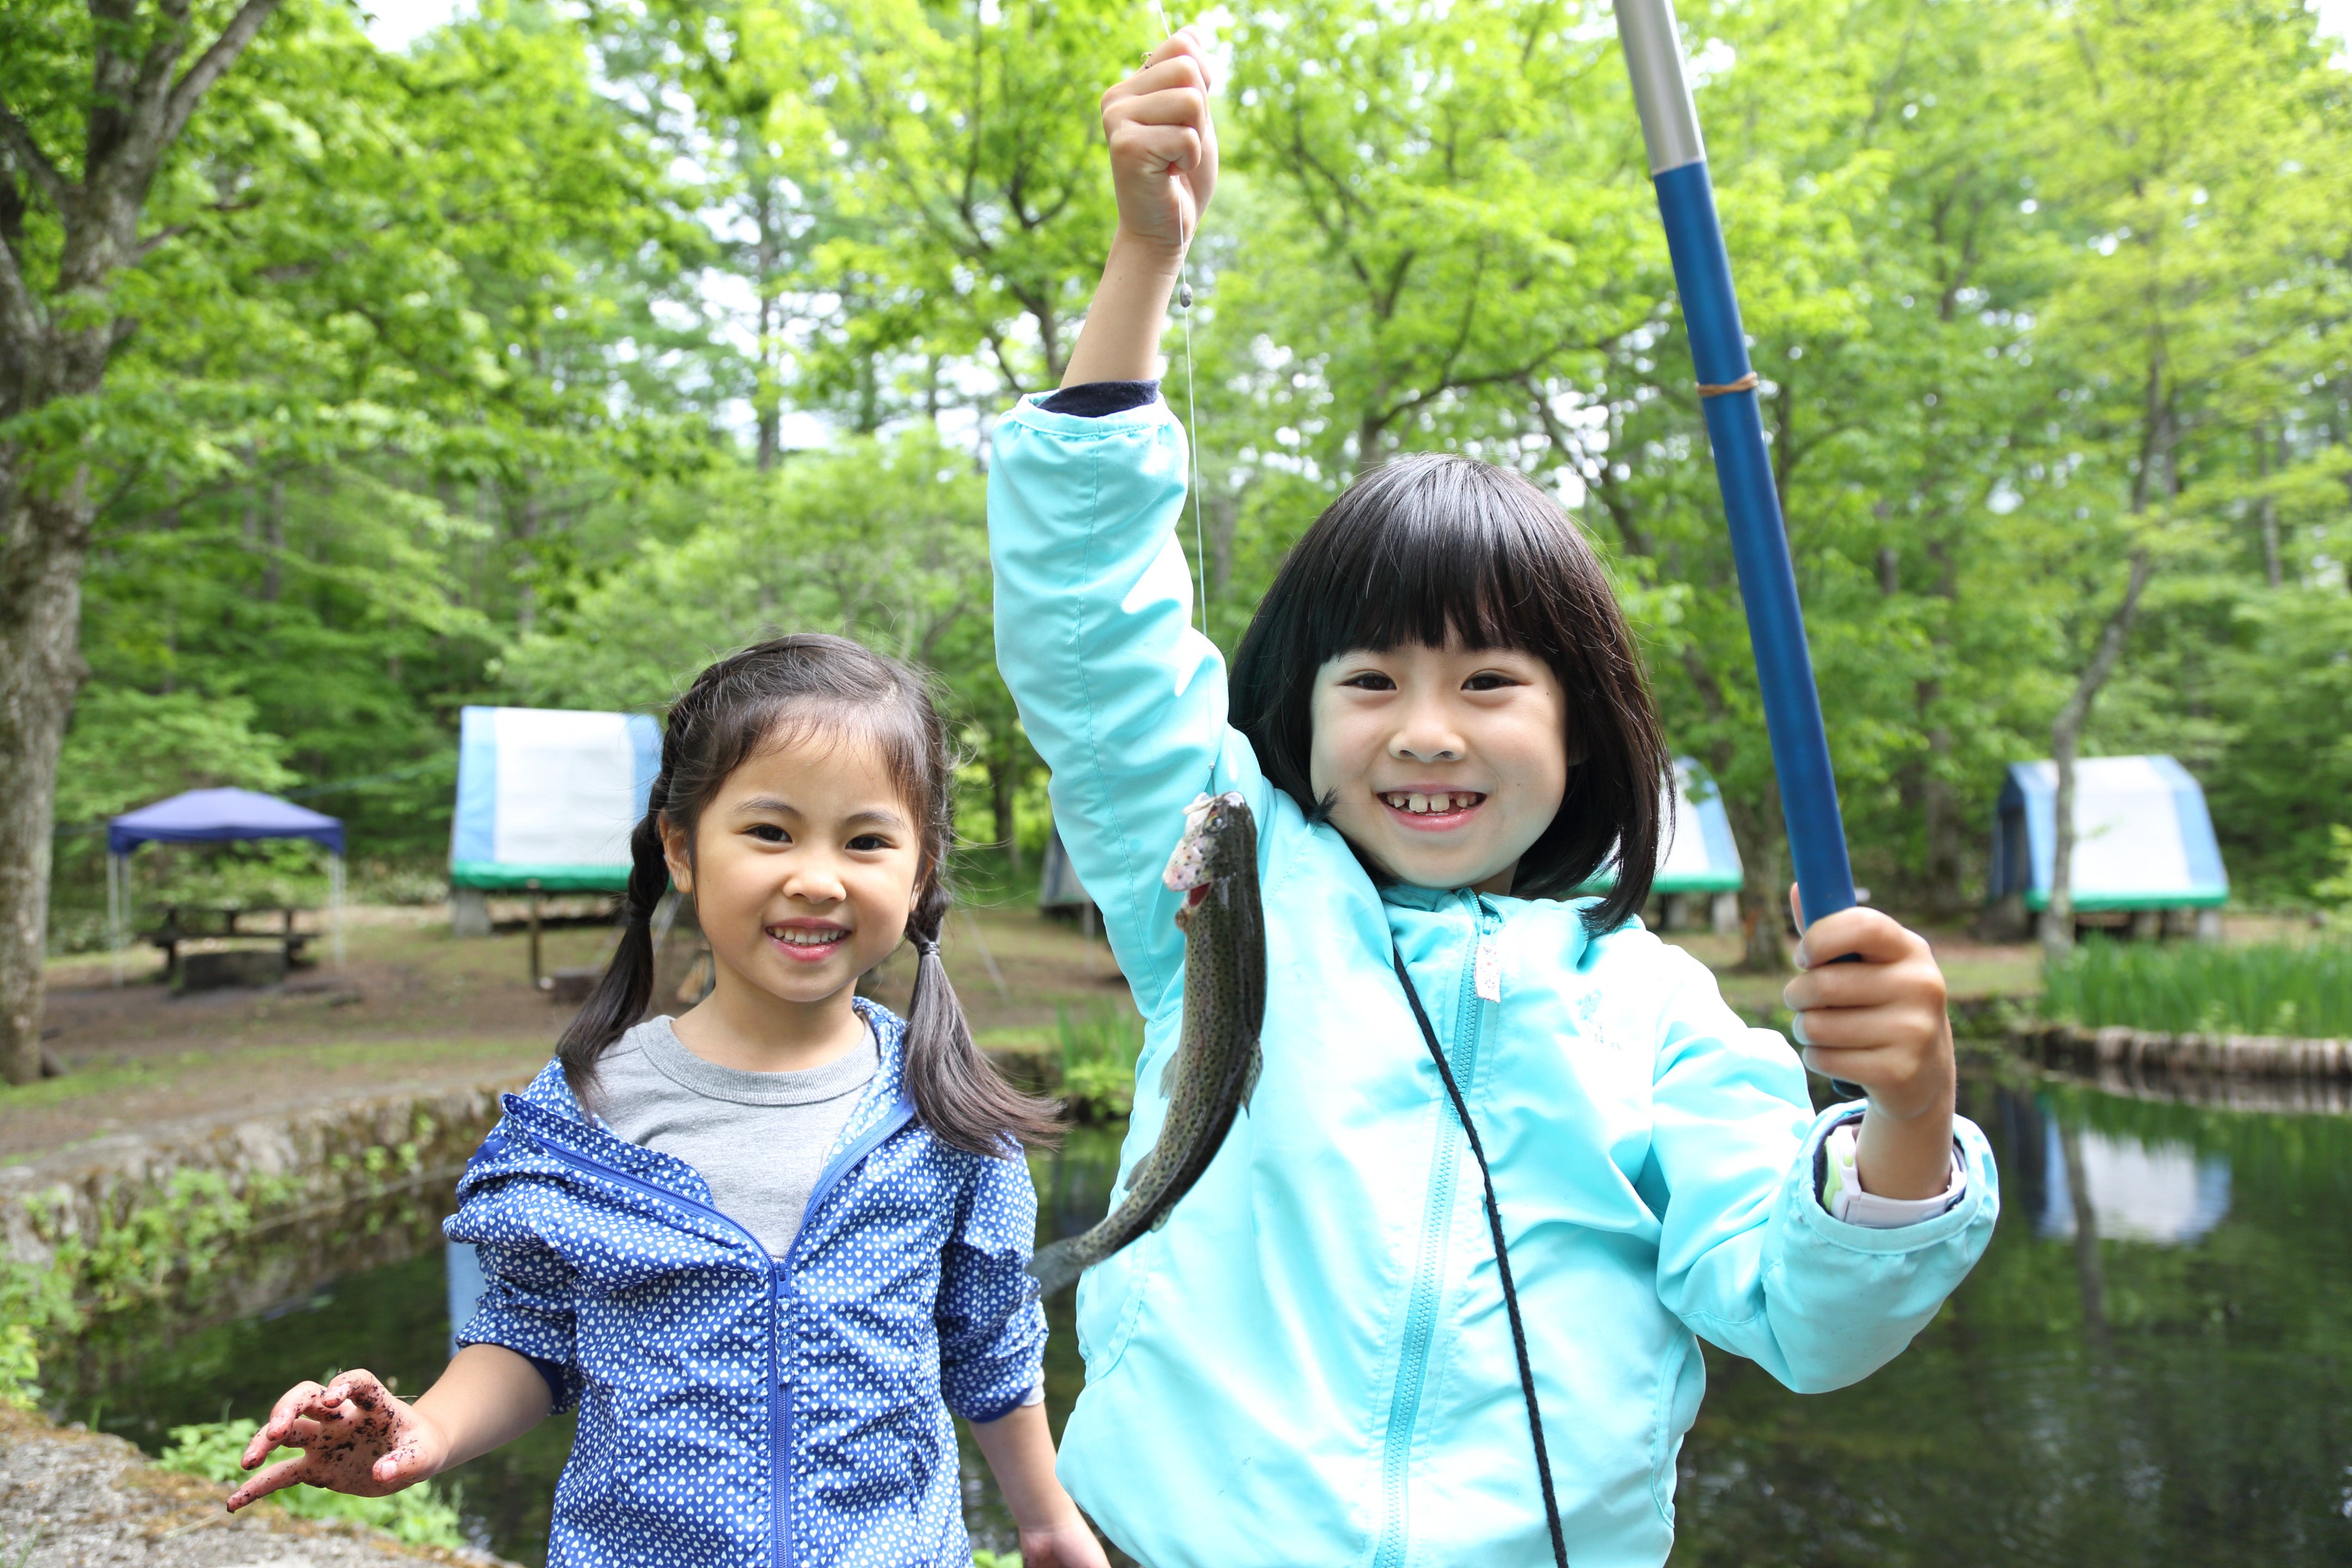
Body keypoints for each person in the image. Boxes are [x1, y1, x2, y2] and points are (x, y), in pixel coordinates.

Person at [986, 27, 2000, 1568]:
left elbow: (1806, 1315)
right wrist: (1144, 261)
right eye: (1371, 680)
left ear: (1584, 729)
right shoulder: (1224, 880)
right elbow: (1093, 625)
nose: (1425, 733)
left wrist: (1910, 1122)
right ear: (1296, 714)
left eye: (1488, 682)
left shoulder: (1659, 1017)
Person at [224, 634, 1110, 1568]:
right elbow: (529, 1333)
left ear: (919, 871)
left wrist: (1046, 1522)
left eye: (867, 841)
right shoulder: (589, 1112)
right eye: (770, 832)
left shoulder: (944, 1113)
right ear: (682, 851)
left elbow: (990, 1345)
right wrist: (426, 1431)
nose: (817, 879)